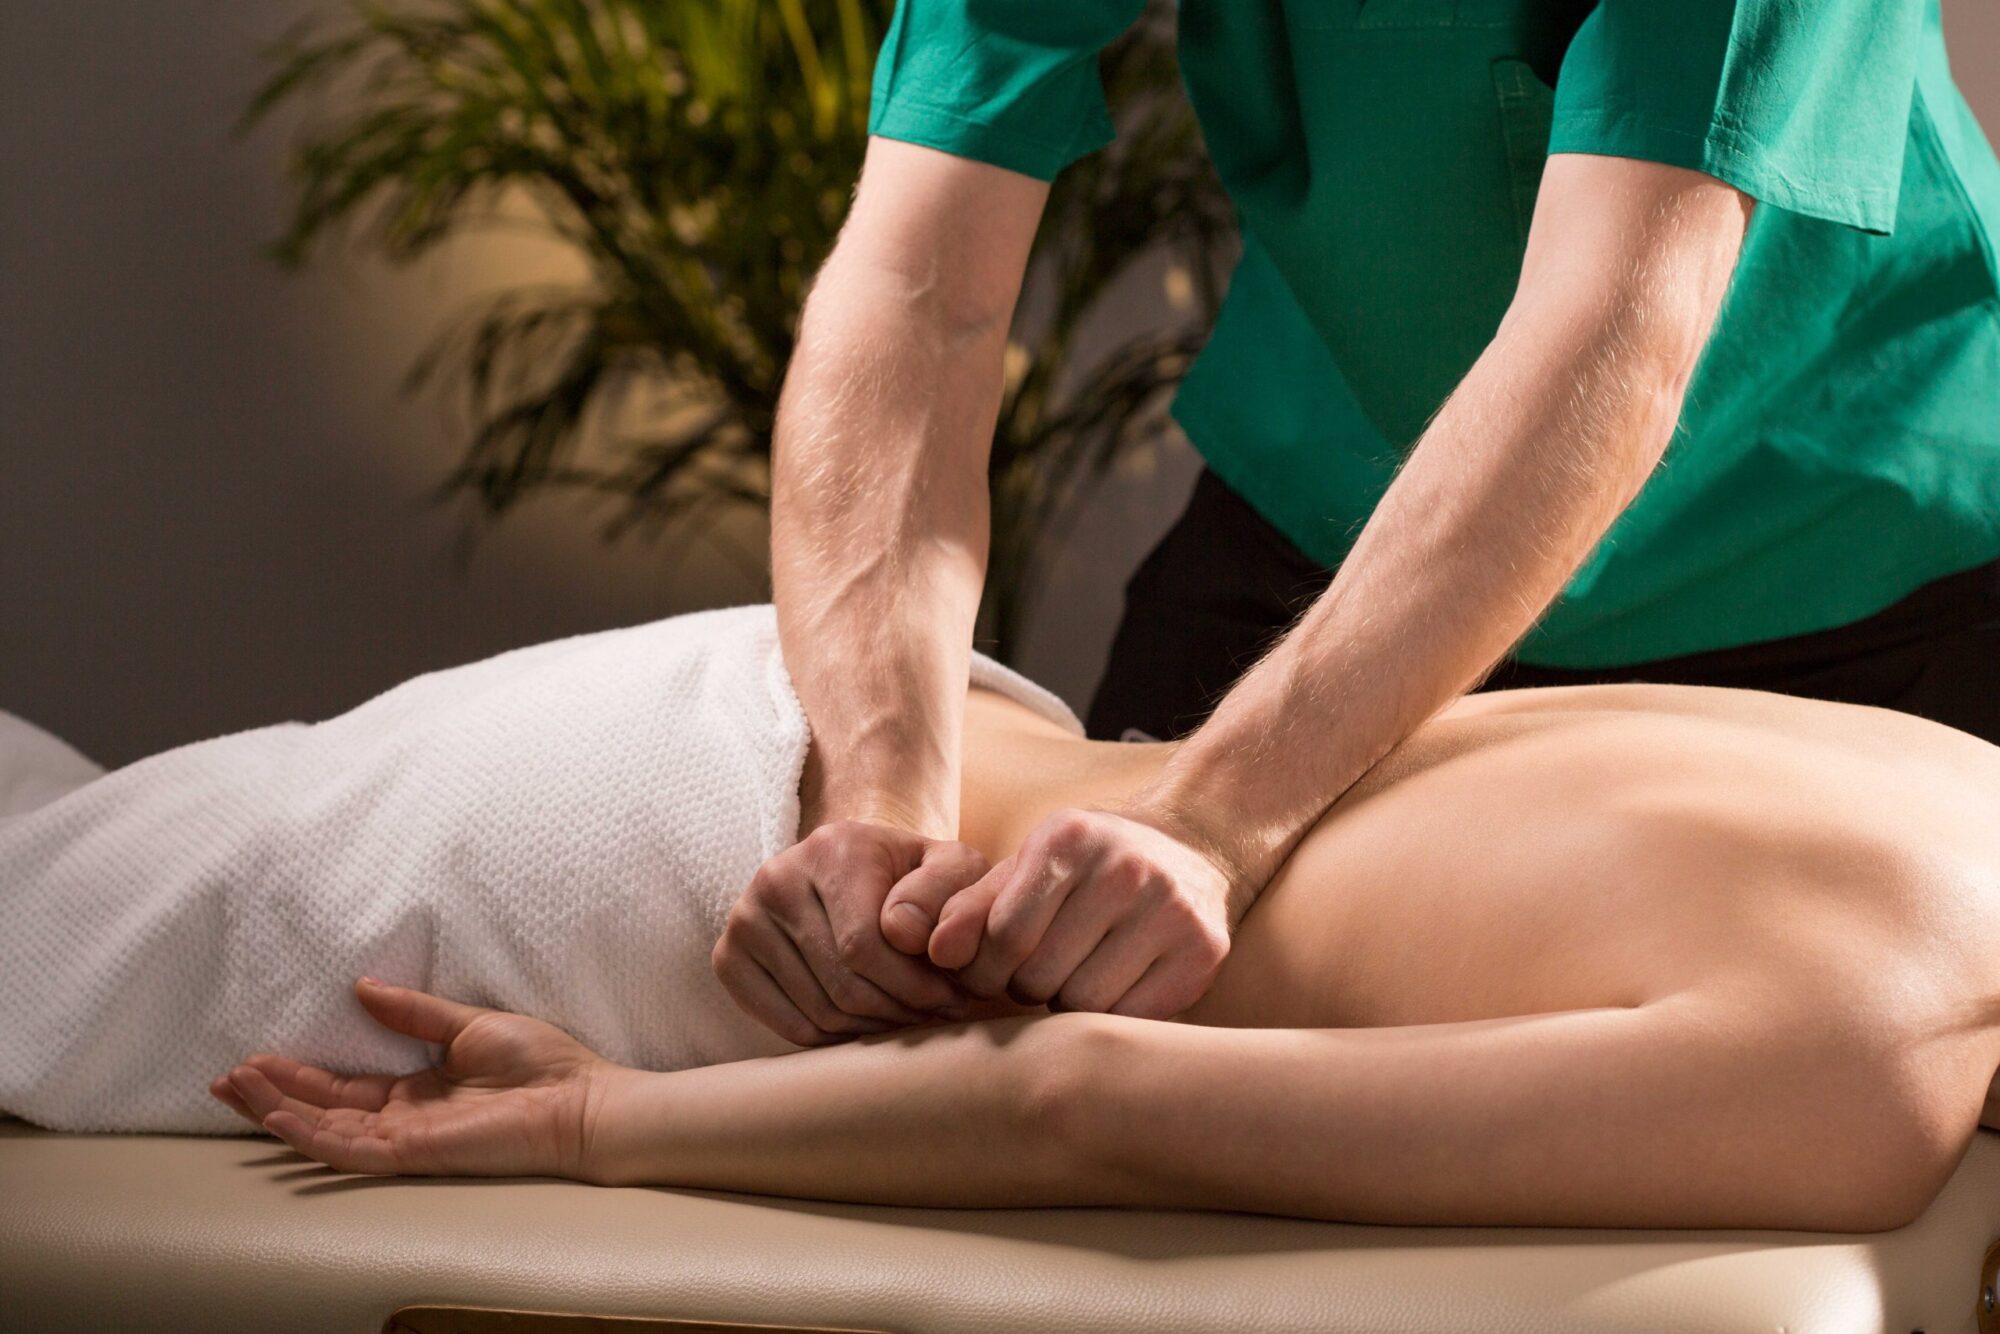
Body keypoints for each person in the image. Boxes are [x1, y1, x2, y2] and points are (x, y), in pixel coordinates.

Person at [724, 0, 2000, 1050]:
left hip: (1847, 538)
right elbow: (913, 281)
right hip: (1332, 499)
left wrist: (1208, 819)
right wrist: (878, 801)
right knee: (1020, 1006)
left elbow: (1610, 323)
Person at [180, 604, 2000, 1232]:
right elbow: (1087, 1096)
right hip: (701, 915)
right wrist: (590, 1115)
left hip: (828, 725)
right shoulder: (1867, 1065)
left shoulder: (1956, 775)